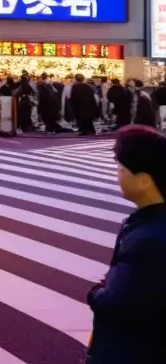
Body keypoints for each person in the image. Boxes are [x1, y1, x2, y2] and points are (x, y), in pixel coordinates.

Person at [87, 125, 166, 363]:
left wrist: (95, 292)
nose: (118, 174)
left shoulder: (147, 240)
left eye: (121, 168)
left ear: (143, 181)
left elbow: (115, 302)